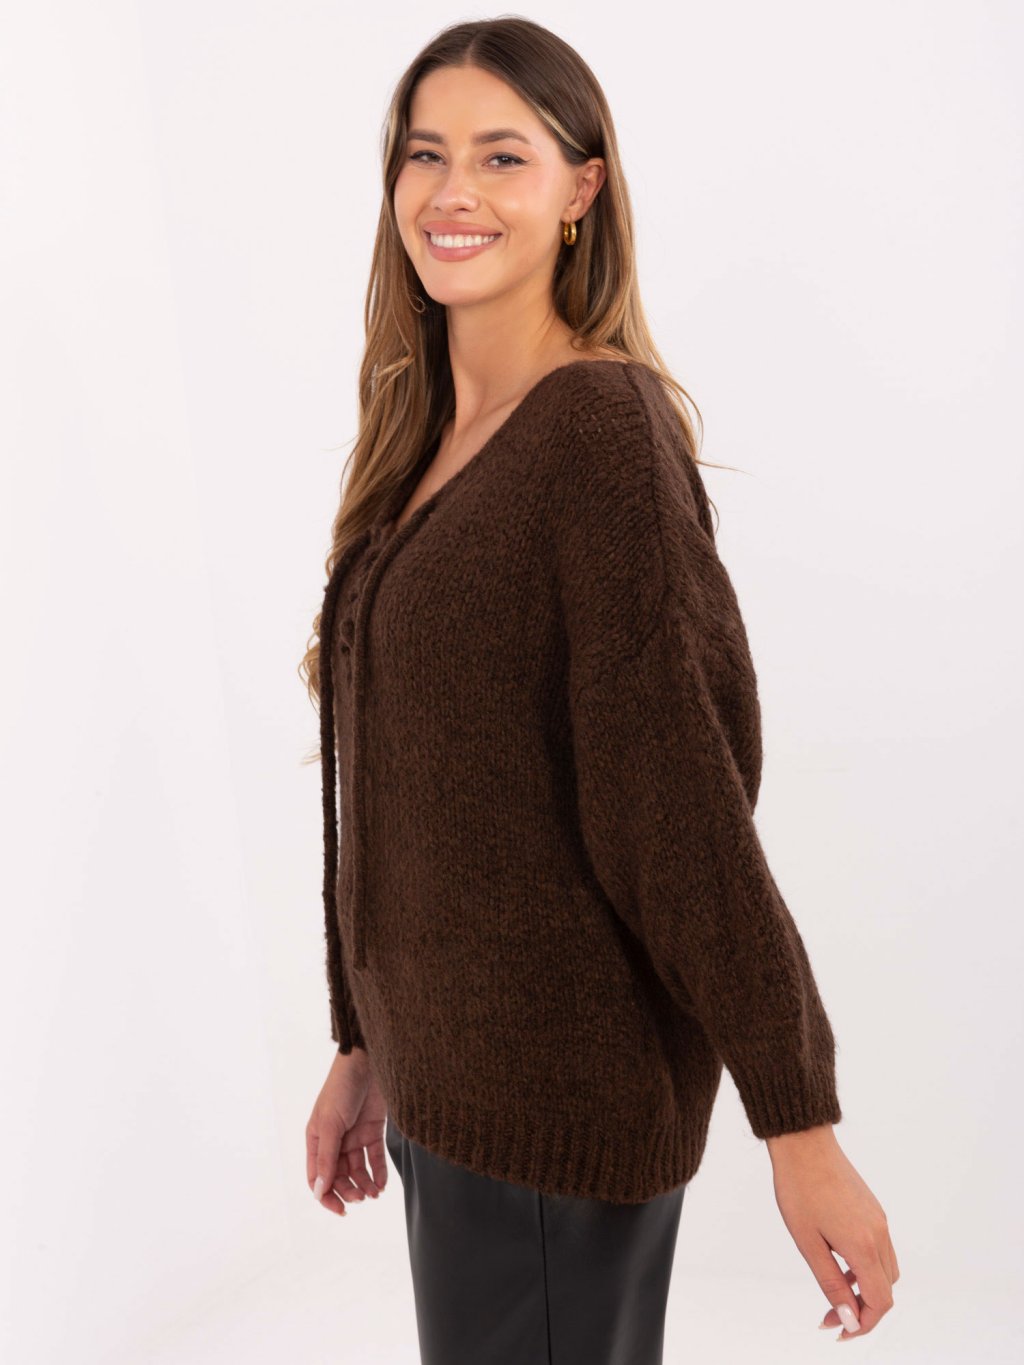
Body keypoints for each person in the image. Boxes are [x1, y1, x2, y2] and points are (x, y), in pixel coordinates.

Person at [301, 17, 899, 1364]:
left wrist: (798, 1122)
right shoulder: (428, 443)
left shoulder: (598, 437)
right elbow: (417, 789)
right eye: (425, 154)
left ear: (582, 187)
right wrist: (364, 1040)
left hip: (555, 1105)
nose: (452, 193)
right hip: (452, 1088)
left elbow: (678, 803)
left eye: (502, 157)